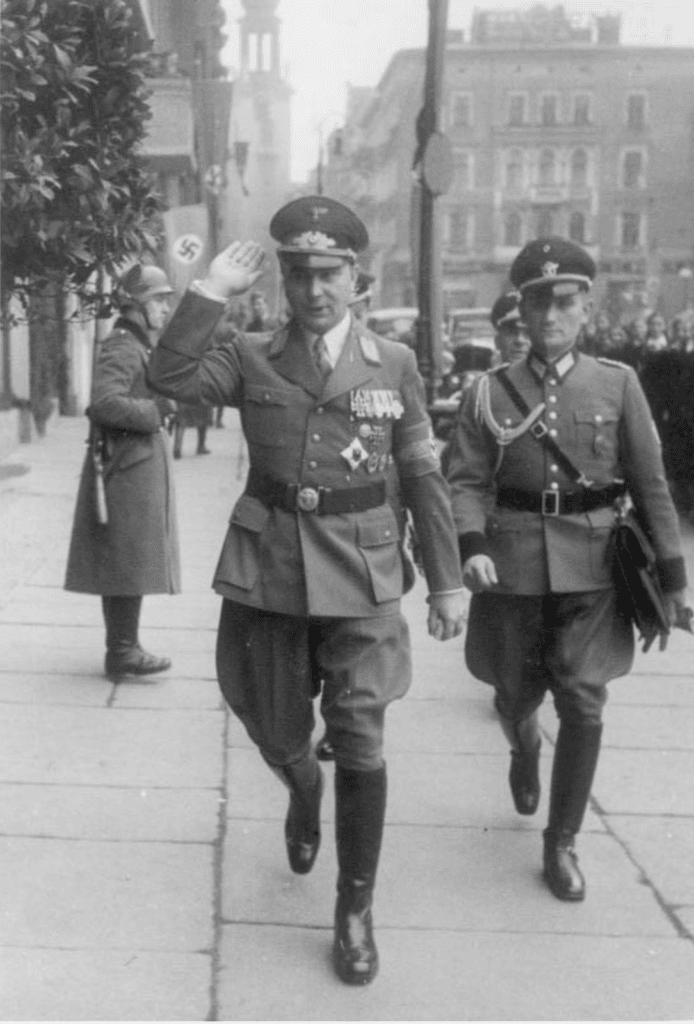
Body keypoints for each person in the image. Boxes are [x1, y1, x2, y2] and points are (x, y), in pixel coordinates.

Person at [146, 197, 465, 985]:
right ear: (283, 279)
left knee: (362, 738)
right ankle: (300, 784)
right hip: (271, 573)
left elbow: (422, 471)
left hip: (364, 573)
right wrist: (209, 291)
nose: (313, 289)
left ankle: (354, 911)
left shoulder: (393, 362)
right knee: (275, 729)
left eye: (328, 274)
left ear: (357, 277)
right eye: (298, 274)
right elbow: (170, 375)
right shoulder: (252, 353)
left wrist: (448, 582)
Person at [446, 237, 689, 903]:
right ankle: (523, 746)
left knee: (584, 699)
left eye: (564, 301)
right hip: (514, 564)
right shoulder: (489, 392)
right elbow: (464, 480)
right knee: (514, 694)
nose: (550, 315)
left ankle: (562, 839)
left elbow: (652, 484)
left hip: (595, 564)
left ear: (586, 307)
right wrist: (472, 545)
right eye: (536, 302)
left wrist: (674, 578)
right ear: (519, 312)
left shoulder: (618, 383)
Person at [64, 264, 180, 680]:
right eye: (158, 299)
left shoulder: (136, 342)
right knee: (126, 561)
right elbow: (104, 403)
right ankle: (123, 651)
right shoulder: (123, 345)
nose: (165, 307)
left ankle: (124, 648)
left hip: (133, 465)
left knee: (129, 561)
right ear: (136, 303)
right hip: (125, 467)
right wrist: (157, 411)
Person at [490, 290, 531, 365]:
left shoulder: (554, 376)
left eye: (528, 333)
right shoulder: (491, 377)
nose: (519, 340)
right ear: (497, 341)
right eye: (511, 332)